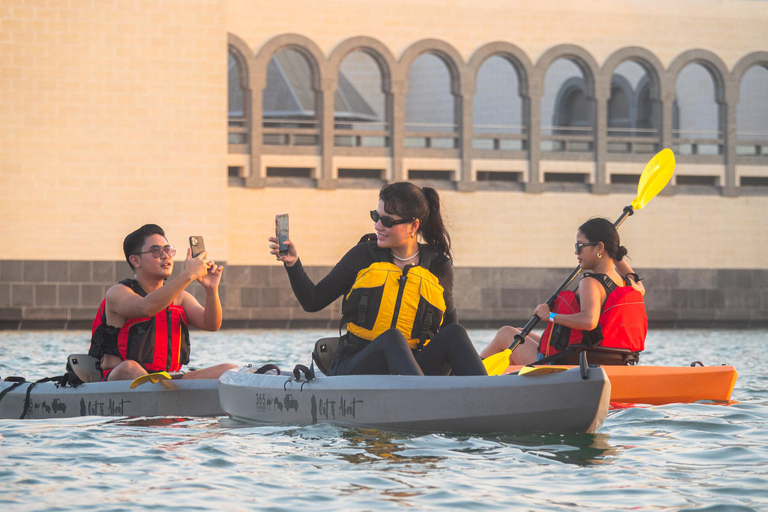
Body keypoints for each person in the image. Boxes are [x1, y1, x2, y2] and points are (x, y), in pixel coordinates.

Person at [269, 182, 487, 376]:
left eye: (387, 221)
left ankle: (487, 396)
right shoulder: (363, 255)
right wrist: (292, 263)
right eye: (376, 216)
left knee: (455, 333)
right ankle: (422, 402)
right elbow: (313, 301)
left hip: (413, 369)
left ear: (413, 226)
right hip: (358, 365)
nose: (377, 226)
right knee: (392, 339)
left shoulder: (439, 266)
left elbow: (449, 327)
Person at [480, 217, 647, 366]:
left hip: (569, 364)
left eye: (580, 246)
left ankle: (468, 374)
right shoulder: (628, 284)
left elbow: (589, 321)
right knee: (519, 333)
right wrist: (613, 252)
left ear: (599, 248)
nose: (576, 252)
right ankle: (504, 379)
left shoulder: (591, 283)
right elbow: (639, 284)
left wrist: (550, 316)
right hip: (608, 359)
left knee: (506, 334)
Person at [88, 224, 237, 381]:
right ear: (136, 261)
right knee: (129, 368)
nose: (165, 255)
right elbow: (145, 307)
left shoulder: (181, 298)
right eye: (156, 251)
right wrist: (188, 275)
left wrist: (211, 290)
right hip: (120, 378)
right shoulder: (118, 293)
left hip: (168, 380)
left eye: (168, 249)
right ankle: (163, 392)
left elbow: (212, 324)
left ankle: (167, 392)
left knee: (229, 370)